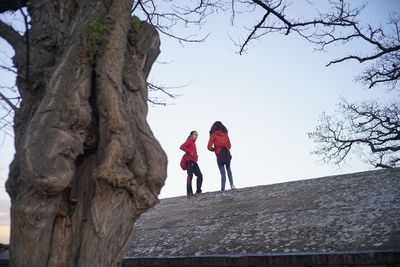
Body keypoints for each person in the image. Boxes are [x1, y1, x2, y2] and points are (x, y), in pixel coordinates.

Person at [207, 121, 236, 191]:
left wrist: (215, 149)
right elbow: (229, 145)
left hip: (219, 154)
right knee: (229, 169)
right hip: (226, 152)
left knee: (222, 172)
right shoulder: (225, 134)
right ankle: (232, 185)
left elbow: (209, 147)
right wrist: (226, 148)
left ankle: (223, 189)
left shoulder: (213, 135)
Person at [180, 131, 203, 198]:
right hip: (189, 161)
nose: (196, 136)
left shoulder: (193, 142)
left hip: (193, 161)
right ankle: (189, 193)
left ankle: (198, 191)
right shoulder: (189, 141)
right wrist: (190, 152)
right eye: (195, 134)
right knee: (190, 176)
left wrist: (196, 156)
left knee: (200, 175)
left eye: (197, 135)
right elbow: (181, 147)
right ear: (191, 135)